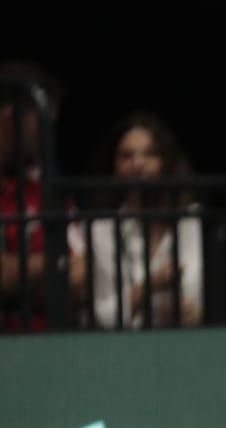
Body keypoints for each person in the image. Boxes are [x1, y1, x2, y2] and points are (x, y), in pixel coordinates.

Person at [79, 112, 203, 329]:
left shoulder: (195, 222)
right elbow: (102, 317)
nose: (138, 164)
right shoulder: (101, 230)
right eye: (127, 156)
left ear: (167, 162)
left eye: (150, 154)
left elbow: (224, 302)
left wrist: (202, 314)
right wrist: (149, 286)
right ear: (114, 168)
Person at [1, 62, 81, 332]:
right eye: (33, 112)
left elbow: (80, 278)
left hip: (49, 342)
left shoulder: (49, 189)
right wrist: (52, 264)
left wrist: (23, 274)